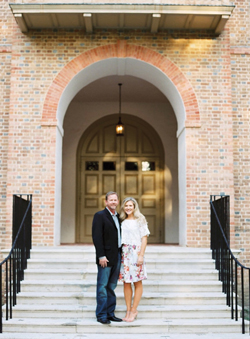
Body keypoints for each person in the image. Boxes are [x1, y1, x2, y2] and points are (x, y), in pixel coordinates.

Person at [92, 191, 122, 324]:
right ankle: (101, 315)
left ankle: (110, 313)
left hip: (117, 256)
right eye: (111, 200)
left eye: (115, 200)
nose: (113, 202)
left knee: (112, 286)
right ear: (106, 202)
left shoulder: (118, 217)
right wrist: (101, 255)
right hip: (105, 257)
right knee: (102, 287)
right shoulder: (100, 216)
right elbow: (97, 237)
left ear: (118, 201)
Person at [119, 197, 150, 322]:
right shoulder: (121, 220)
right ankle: (128, 310)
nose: (128, 208)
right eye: (126, 205)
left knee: (137, 282)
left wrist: (141, 255)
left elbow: (144, 238)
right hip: (124, 253)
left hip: (136, 252)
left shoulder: (140, 220)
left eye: (130, 205)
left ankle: (134, 310)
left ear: (134, 207)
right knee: (126, 282)